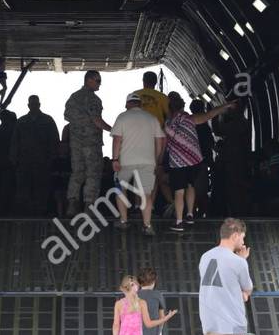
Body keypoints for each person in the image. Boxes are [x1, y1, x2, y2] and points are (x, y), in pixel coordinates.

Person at [163, 92, 235, 232]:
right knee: (191, 186)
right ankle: (190, 215)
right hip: (194, 160)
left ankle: (179, 222)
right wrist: (226, 105)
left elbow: (163, 142)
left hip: (177, 163)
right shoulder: (191, 119)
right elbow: (210, 114)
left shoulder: (167, 124)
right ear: (183, 106)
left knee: (179, 192)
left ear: (169, 108)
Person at [110, 93, 164, 235]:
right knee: (145, 194)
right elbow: (159, 141)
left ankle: (123, 221)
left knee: (121, 190)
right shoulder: (152, 119)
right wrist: (156, 158)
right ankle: (147, 226)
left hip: (125, 162)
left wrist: (115, 159)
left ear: (128, 104)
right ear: (140, 104)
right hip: (147, 162)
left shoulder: (122, 117)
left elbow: (117, 139)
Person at [64, 70, 111, 213]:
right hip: (91, 144)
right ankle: (89, 205)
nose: (100, 84)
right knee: (93, 173)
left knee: (77, 172)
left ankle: (72, 204)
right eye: (98, 81)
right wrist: (113, 130)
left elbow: (67, 116)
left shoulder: (73, 97)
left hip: (76, 144)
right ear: (89, 80)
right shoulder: (93, 99)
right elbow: (96, 120)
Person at [12, 95, 60, 215]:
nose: (33, 106)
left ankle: (40, 212)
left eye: (35, 104)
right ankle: (24, 213)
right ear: (28, 105)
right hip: (24, 162)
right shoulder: (21, 121)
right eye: (31, 104)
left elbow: (55, 140)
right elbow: (15, 141)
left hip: (42, 162)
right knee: (23, 189)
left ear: (39, 105)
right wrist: (14, 159)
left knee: (41, 188)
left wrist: (52, 158)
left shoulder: (48, 120)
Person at [189, 99, 215, 216]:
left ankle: (192, 212)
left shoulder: (186, 123)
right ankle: (202, 214)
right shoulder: (204, 126)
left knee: (190, 187)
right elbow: (209, 143)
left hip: (188, 161)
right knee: (202, 190)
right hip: (202, 160)